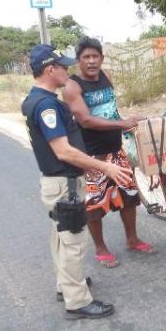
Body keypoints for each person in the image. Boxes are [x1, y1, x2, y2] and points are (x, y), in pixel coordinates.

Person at [22, 43, 132, 320]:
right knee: (73, 242)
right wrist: (104, 166)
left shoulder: (38, 99)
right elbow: (63, 151)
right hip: (65, 182)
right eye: (64, 67)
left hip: (57, 181)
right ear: (50, 70)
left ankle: (66, 284)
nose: (68, 73)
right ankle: (77, 300)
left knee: (61, 238)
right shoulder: (46, 105)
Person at [63, 36, 153, 269]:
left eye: (95, 56)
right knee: (94, 204)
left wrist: (125, 126)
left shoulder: (106, 77)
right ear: (78, 61)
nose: (92, 61)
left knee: (129, 196)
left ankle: (132, 238)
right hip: (91, 155)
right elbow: (85, 120)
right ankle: (101, 248)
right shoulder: (72, 86)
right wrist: (122, 124)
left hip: (115, 149)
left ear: (102, 58)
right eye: (86, 57)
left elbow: (111, 109)